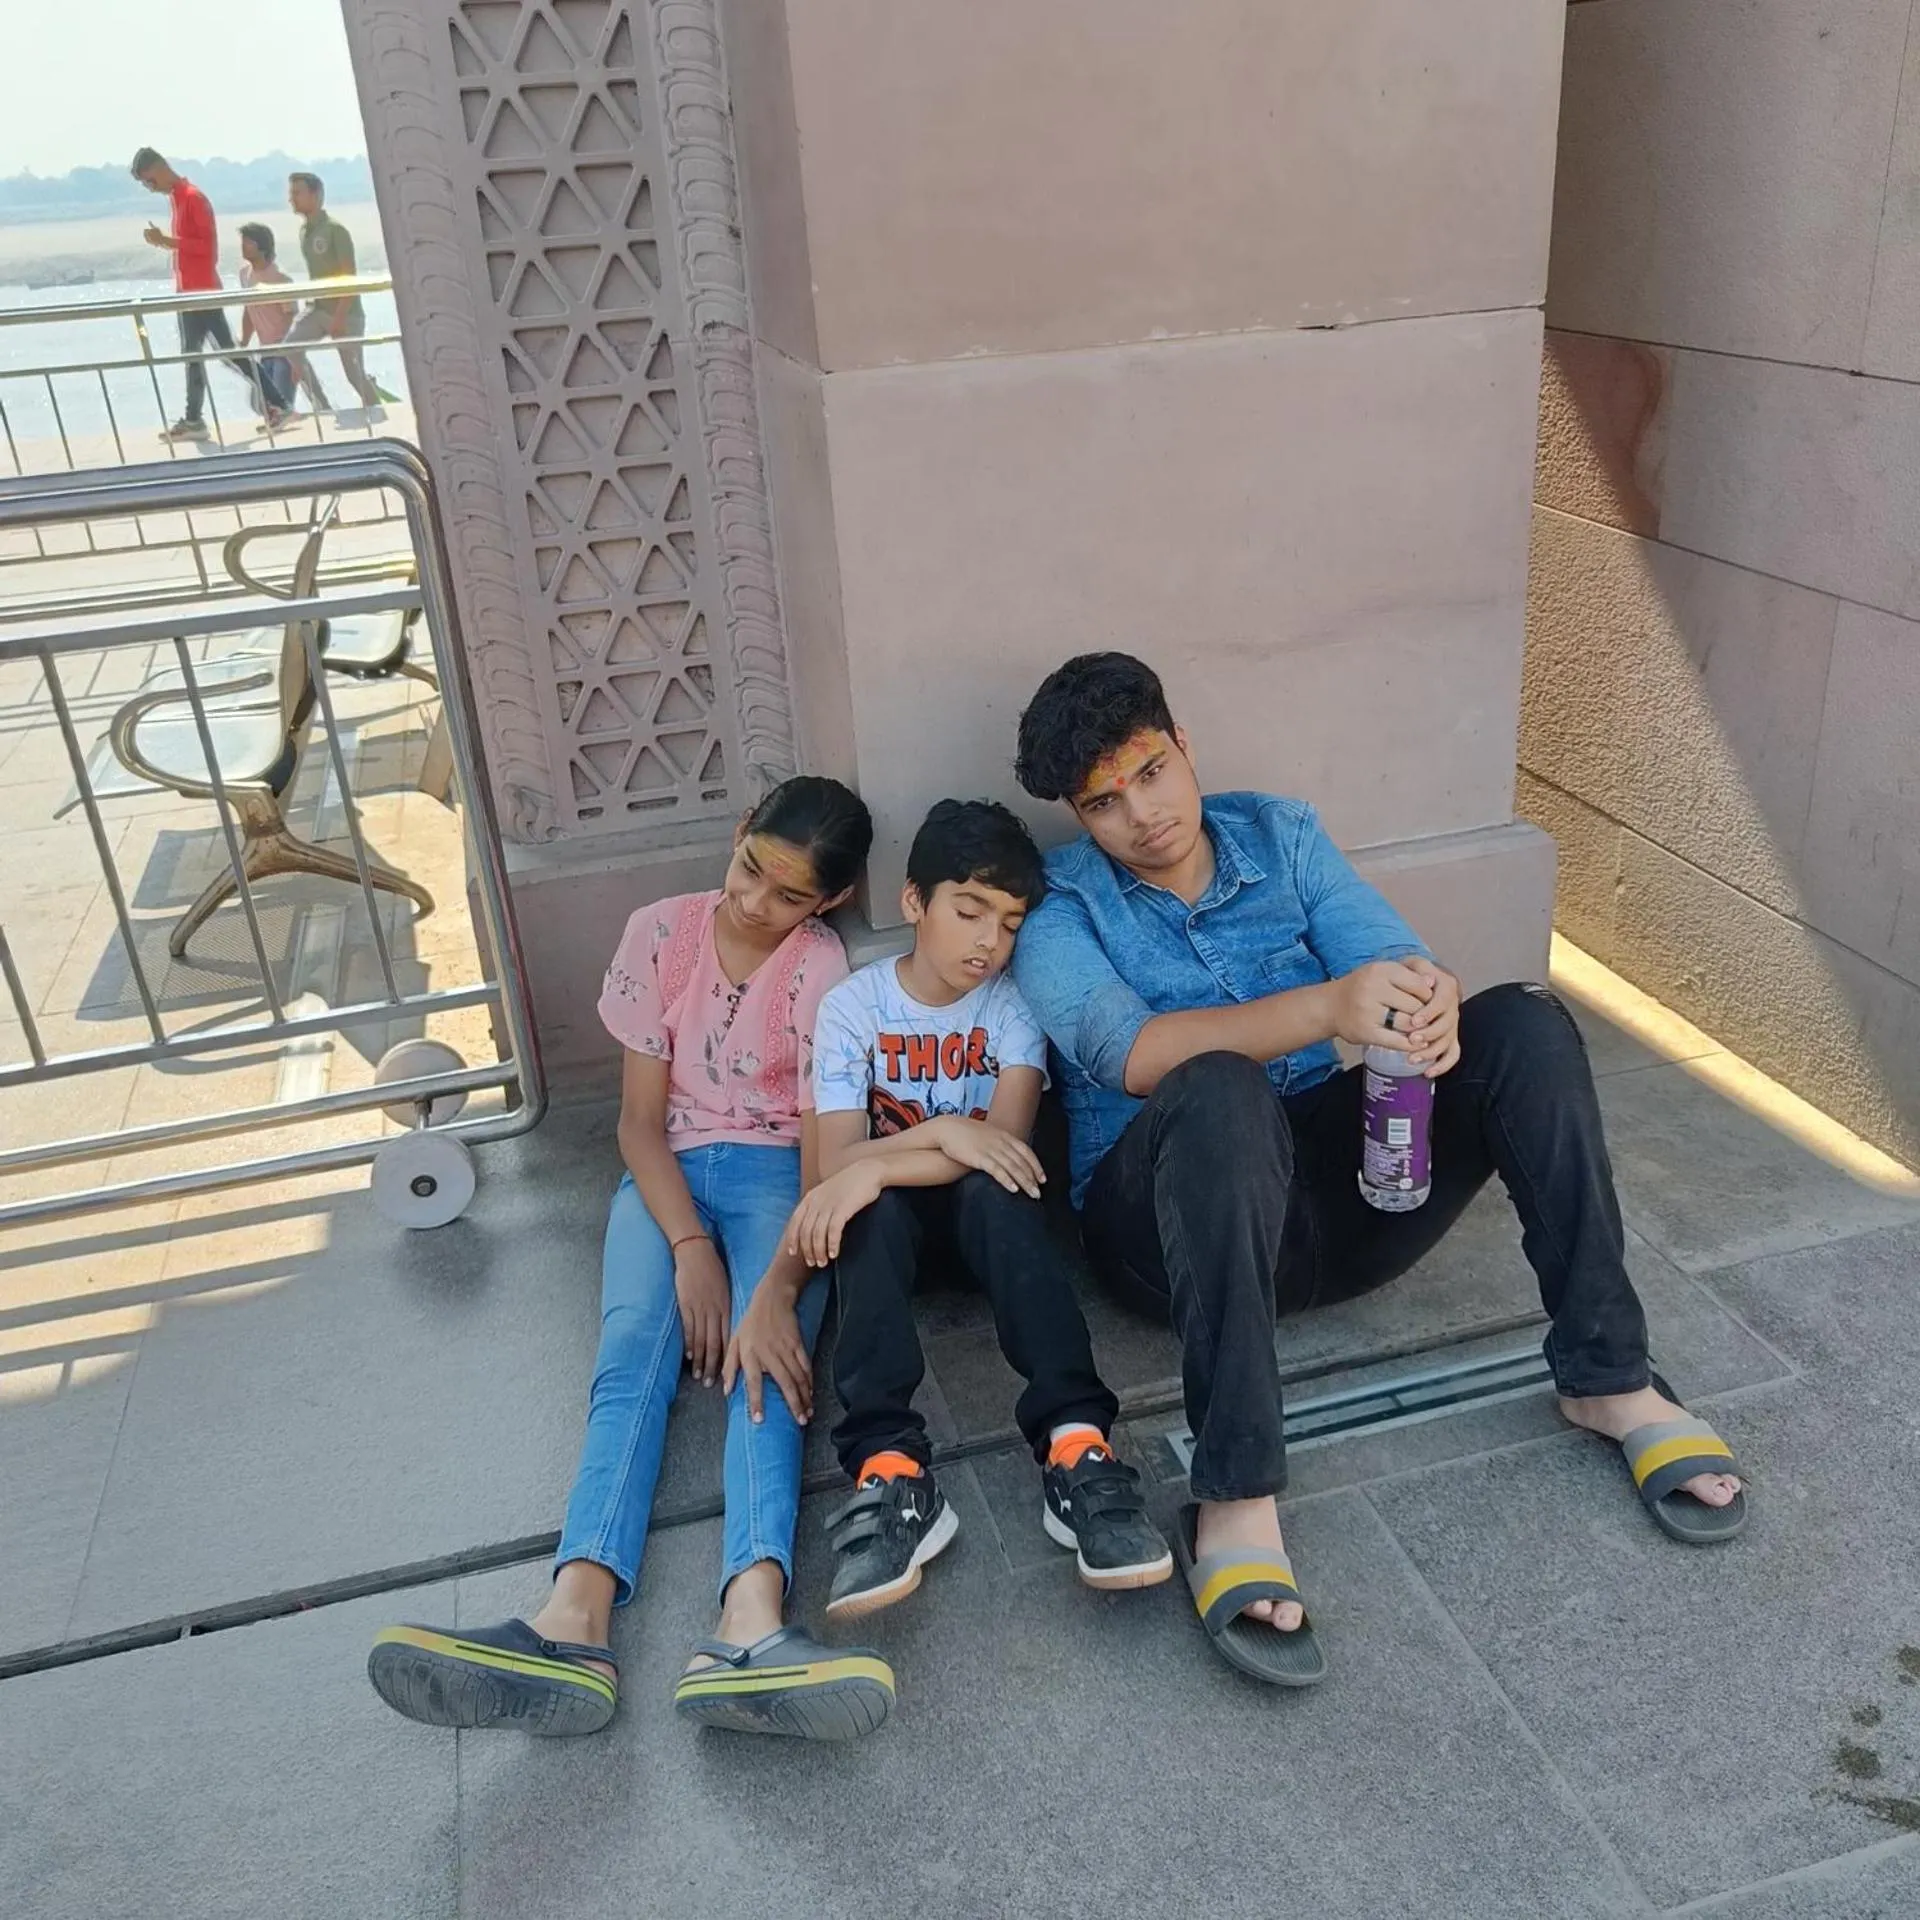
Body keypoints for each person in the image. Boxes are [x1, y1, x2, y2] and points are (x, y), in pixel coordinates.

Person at [1009, 652, 1748, 1688]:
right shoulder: (1060, 906)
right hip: (1168, 1228)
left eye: (1150, 771)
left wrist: (1428, 1002)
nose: (1142, 814)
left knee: (1524, 1023)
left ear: (1184, 747)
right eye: (1104, 802)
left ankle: (1610, 1379)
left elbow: (1395, 963)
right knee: (1217, 1082)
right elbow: (1127, 1055)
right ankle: (1235, 1493)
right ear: (1079, 817)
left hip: (1341, 1197)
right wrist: (1325, 1007)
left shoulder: (1280, 834)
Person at [368, 777, 897, 1742]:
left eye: (788, 894)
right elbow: (640, 1125)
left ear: (826, 901)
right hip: (664, 1178)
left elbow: (825, 1161)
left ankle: (751, 1624)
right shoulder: (659, 933)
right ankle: (572, 1618)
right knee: (626, 1370)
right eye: (750, 869)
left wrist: (774, 1290)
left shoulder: (823, 969)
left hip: (781, 1175)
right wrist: (692, 1250)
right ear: (738, 835)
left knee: (765, 1375)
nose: (754, 901)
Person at [794, 798, 1172, 1622]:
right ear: (913, 902)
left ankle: (1077, 1446)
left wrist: (892, 1160)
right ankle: (890, 1474)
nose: (987, 944)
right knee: (869, 1209)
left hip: (986, 1233)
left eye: (1008, 924)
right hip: (888, 1245)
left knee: (989, 1191)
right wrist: (938, 1137)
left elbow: (1005, 1150)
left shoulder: (1011, 1008)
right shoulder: (852, 1009)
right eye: (969, 911)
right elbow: (832, 1167)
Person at [131, 147, 279, 440]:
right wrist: (165, 242)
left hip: (202, 290)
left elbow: (206, 248)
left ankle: (276, 402)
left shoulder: (193, 198)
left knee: (227, 352)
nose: (151, 188)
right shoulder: (177, 199)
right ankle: (194, 418)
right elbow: (189, 246)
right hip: (188, 291)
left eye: (149, 181)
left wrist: (168, 240)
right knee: (193, 355)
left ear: (160, 167)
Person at [284, 172, 385, 420]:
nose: (291, 199)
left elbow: (349, 277)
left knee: (353, 375)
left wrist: (339, 317)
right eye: (291, 193)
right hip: (318, 310)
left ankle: (380, 413)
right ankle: (324, 408)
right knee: (290, 348)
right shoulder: (305, 231)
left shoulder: (335, 231)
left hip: (346, 313)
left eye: (297, 193)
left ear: (316, 195)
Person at [235, 224, 309, 421]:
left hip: (283, 349)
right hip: (265, 350)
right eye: (242, 242)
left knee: (280, 401)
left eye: (248, 242)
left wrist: (290, 351)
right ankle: (287, 419)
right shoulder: (245, 275)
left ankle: (289, 422)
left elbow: (291, 316)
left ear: (262, 246)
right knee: (258, 403)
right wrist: (243, 341)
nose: (243, 246)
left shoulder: (280, 278)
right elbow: (249, 311)